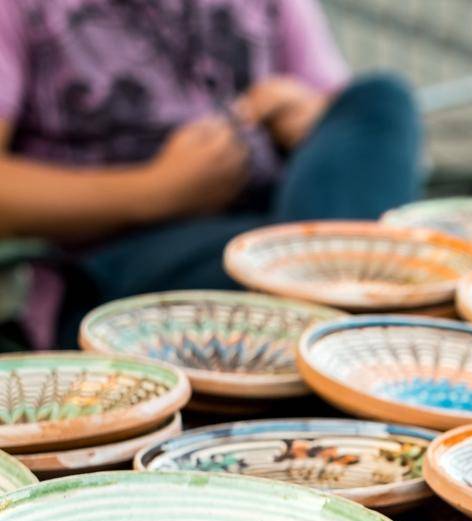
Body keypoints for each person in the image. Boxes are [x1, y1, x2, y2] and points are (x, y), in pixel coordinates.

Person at [0, 0, 425, 347]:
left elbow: (349, 136)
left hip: (284, 223)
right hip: (121, 263)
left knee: (383, 99)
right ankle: (355, 325)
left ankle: (334, 316)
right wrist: (151, 192)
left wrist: (305, 117)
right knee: (315, 260)